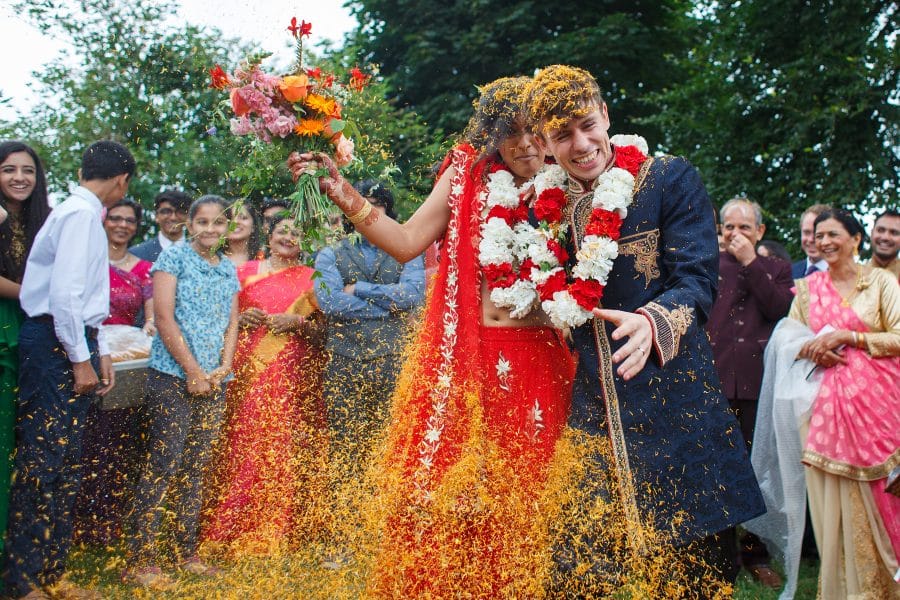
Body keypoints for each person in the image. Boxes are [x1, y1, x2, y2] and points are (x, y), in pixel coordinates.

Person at [288, 76, 577, 597]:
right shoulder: (466, 174)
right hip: (470, 356)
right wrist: (340, 189)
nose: (526, 143)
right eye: (510, 133)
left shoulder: (577, 176)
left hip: (544, 359)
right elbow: (405, 241)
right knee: (460, 491)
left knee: (529, 490)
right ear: (490, 136)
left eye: (535, 129)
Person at [524, 65, 765, 595]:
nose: (581, 144)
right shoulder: (543, 209)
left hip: (674, 401)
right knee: (578, 574)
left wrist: (654, 319)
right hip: (592, 411)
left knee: (693, 575)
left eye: (587, 125)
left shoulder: (667, 178)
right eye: (562, 134)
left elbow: (698, 279)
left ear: (606, 116)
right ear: (545, 143)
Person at [4, 140, 135, 600]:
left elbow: (82, 302)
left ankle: (52, 572)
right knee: (45, 459)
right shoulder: (79, 216)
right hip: (53, 342)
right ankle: (21, 581)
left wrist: (95, 349)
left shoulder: (79, 214)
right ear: (122, 181)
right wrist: (79, 357)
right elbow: (62, 297)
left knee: (67, 463)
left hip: (75, 337)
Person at [749, 208, 900, 598]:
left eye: (834, 234)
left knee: (885, 495)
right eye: (819, 236)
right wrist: (812, 348)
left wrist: (850, 337)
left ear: (855, 239)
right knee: (833, 505)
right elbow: (789, 339)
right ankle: (847, 589)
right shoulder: (808, 289)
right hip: (825, 412)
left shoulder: (881, 282)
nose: (826, 242)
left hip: (881, 409)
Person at [122, 195, 239, 590]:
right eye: (202, 222)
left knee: (197, 467)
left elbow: (232, 323)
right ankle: (140, 558)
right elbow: (165, 317)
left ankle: (184, 552)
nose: (210, 229)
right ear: (190, 225)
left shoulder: (227, 269)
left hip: (214, 380)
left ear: (227, 228)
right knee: (163, 464)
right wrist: (192, 371)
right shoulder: (173, 259)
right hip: (173, 376)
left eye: (218, 223)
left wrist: (223, 366)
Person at [202, 215, 327, 555]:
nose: (288, 237)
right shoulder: (242, 273)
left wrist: (298, 321)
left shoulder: (312, 278)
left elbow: (323, 334)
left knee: (281, 445)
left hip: (291, 376)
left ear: (306, 241)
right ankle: (225, 525)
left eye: (297, 233)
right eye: (282, 231)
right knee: (241, 442)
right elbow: (217, 321)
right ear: (269, 236)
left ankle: (274, 529)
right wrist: (240, 319)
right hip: (245, 373)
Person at [313, 180, 425, 527]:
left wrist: (359, 288)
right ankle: (345, 531)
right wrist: (387, 304)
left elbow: (411, 297)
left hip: (395, 360)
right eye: (364, 203)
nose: (371, 210)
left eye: (377, 203)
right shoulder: (330, 252)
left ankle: (384, 529)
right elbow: (330, 303)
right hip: (344, 360)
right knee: (346, 446)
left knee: (391, 442)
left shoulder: (409, 250)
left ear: (388, 209)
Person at [705, 197, 793, 588]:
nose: (736, 234)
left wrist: (750, 263)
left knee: (759, 474)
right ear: (720, 231)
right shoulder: (708, 266)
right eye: (729, 227)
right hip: (716, 383)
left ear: (760, 232)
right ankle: (720, 559)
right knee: (718, 472)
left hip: (758, 385)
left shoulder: (774, 267)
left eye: (745, 228)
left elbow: (779, 309)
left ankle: (756, 554)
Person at [73, 198, 154, 544]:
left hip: (126, 360)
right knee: (82, 438)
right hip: (83, 352)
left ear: (136, 227)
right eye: (115, 219)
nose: (121, 225)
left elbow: (151, 313)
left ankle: (107, 520)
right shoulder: (87, 261)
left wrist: (150, 325)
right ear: (105, 222)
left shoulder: (143, 268)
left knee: (115, 440)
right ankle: (75, 521)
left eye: (129, 221)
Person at [0, 142, 51, 554]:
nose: (19, 177)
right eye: (8, 170)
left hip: (35, 332)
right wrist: (35, 296)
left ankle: (23, 548)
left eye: (28, 171)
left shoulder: (44, 223)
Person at [130, 189, 192, 263]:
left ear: (188, 216)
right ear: (156, 216)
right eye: (166, 211)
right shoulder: (136, 254)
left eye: (180, 212)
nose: (173, 217)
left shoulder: (200, 254)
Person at [791, 203, 831, 279]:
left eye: (818, 234)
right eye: (806, 232)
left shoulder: (847, 275)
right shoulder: (788, 274)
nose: (811, 239)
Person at [223, 202, 260, 267]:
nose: (236, 222)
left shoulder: (265, 257)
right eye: (230, 218)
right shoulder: (211, 259)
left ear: (253, 227)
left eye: (243, 218)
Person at [867, 208, 900, 279]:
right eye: (880, 230)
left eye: (894, 232)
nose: (885, 237)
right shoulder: (853, 277)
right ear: (871, 233)